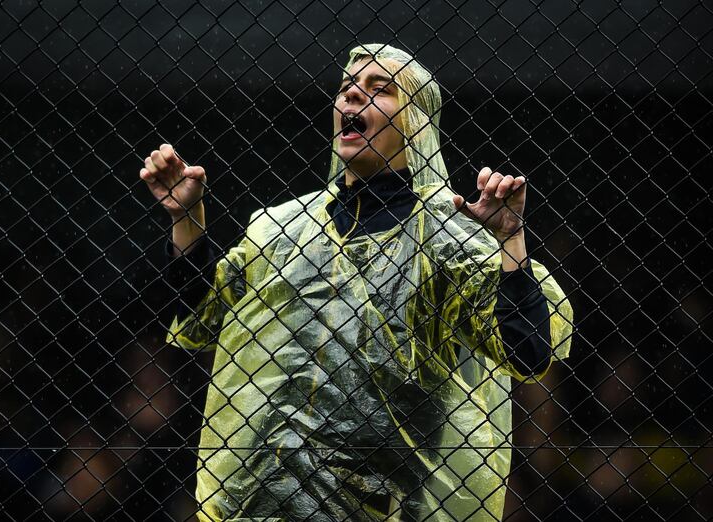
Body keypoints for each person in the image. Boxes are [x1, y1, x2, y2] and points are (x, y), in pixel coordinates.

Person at [140, 44, 573, 522]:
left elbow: (527, 353)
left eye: (379, 90)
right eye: (347, 89)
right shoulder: (282, 229)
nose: (352, 98)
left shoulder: (448, 237)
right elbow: (197, 318)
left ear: (416, 122)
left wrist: (510, 240)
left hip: (387, 502)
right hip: (263, 502)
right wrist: (187, 220)